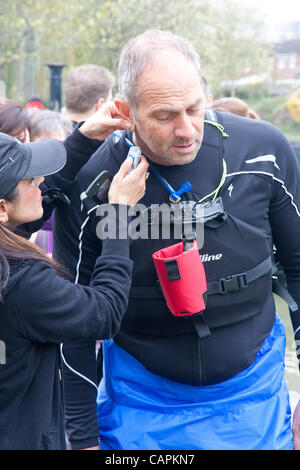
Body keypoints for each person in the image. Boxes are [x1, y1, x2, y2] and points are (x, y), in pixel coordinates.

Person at [53, 30, 300, 450]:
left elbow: (298, 269)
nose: (186, 130)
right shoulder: (92, 181)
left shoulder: (263, 150)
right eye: (165, 116)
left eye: (194, 108)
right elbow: (73, 323)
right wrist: (83, 437)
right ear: (126, 111)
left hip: (253, 398)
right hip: (141, 404)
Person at [0, 129, 148, 450]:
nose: (40, 181)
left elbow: (21, 218)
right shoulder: (22, 282)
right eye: (29, 180)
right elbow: (103, 314)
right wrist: (118, 214)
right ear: (1, 208)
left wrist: (84, 137)